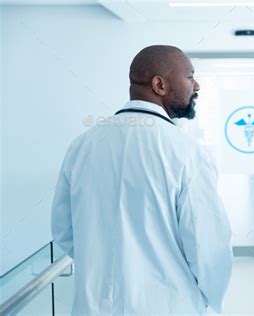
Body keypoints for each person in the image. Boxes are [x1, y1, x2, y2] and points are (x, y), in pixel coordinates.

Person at [51, 45, 233, 315]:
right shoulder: (187, 152)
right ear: (159, 85)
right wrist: (206, 298)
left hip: (93, 306)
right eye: (189, 76)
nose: (197, 85)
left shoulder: (83, 145)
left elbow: (64, 231)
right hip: (169, 306)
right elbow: (206, 243)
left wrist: (101, 266)